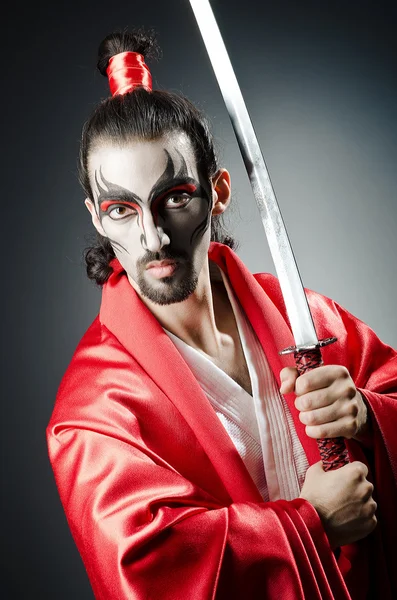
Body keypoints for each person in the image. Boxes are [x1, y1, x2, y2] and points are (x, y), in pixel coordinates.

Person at [46, 30, 397, 599]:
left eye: (176, 197)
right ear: (95, 217)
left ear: (220, 191)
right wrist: (310, 525)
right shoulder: (93, 410)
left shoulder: (303, 316)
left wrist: (365, 415)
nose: (153, 237)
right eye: (120, 208)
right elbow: (148, 568)